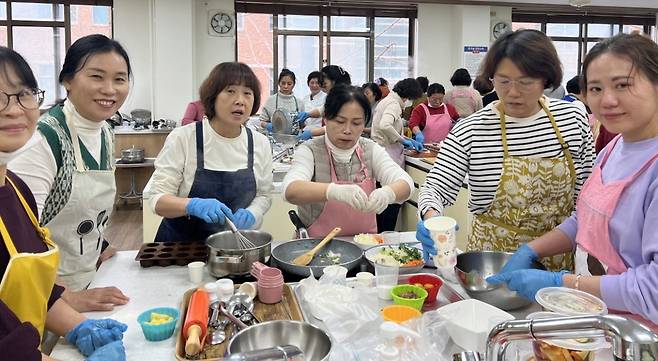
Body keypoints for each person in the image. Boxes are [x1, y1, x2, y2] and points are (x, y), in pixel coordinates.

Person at [487, 33, 658, 330]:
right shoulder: (613, 149)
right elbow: (587, 220)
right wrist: (532, 249)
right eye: (595, 88)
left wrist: (561, 282)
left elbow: (653, 291)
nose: (607, 100)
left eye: (622, 85)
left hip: (638, 336)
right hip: (598, 321)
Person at [416, 29, 595, 272]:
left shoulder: (572, 118)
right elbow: (435, 187)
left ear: (546, 78)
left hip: (556, 263)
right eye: (503, 81)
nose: (512, 92)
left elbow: (586, 196)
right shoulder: (471, 130)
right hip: (490, 262)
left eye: (525, 82)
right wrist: (431, 217)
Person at [0, 46, 126, 361]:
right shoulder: (45, 141)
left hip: (54, 309)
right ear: (67, 81)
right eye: (97, 76)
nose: (14, 109)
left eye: (23, 94)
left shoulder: (15, 189)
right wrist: (71, 298)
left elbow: (32, 279)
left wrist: (79, 327)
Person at [145, 62, 273, 243]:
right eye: (230, 91)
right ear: (212, 96)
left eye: (247, 93)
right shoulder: (184, 138)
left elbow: (264, 195)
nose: (240, 100)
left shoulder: (260, 143)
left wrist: (253, 213)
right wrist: (192, 205)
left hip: (232, 248)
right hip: (180, 247)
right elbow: (157, 199)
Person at [282, 85, 413, 237]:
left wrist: (387, 193)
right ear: (326, 120)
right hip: (315, 248)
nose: (347, 130)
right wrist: (334, 191)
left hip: (364, 247)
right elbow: (289, 190)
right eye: (340, 121)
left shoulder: (370, 149)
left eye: (356, 123)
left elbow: (406, 184)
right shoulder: (310, 150)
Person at [371, 78, 424, 232]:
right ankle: (385, 236)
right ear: (408, 96)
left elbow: (387, 127)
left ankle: (380, 235)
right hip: (388, 153)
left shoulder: (387, 101)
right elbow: (385, 125)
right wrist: (402, 140)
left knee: (383, 200)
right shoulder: (394, 104)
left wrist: (406, 139)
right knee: (392, 201)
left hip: (383, 150)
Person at [296, 65, 352, 141]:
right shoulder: (334, 96)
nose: (322, 86)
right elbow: (323, 110)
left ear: (334, 82)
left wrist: (311, 133)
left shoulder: (344, 98)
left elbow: (337, 126)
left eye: (324, 83)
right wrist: (307, 115)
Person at [259, 68, 305, 135]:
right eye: (283, 83)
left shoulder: (299, 103)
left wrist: (302, 123)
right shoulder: (270, 100)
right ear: (279, 83)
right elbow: (262, 121)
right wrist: (267, 125)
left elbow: (303, 125)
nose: (286, 86)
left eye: (289, 84)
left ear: (294, 84)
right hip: (274, 139)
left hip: (294, 139)